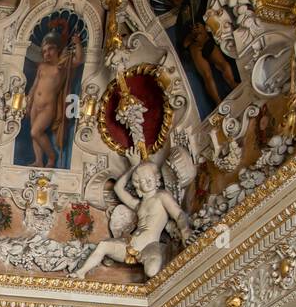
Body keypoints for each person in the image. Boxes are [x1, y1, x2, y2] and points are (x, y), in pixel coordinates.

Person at [71, 153, 192, 279]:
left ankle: (163, 252)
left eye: (150, 177)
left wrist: (185, 230)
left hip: (150, 245)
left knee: (152, 271)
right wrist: (133, 166)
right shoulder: (138, 205)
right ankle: (80, 273)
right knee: (103, 245)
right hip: (130, 244)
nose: (148, 181)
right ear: (138, 185)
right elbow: (118, 188)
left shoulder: (161, 196)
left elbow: (179, 214)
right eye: (143, 180)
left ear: (157, 178)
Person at [24, 32, 84, 167]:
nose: (47, 53)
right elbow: (35, 85)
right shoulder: (42, 67)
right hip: (35, 105)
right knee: (33, 133)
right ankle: (39, 161)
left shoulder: (62, 66)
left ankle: (52, 157)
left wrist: (77, 43)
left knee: (36, 132)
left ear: (57, 49)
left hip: (48, 106)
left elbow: (79, 60)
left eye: (50, 49)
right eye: (44, 51)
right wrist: (29, 102)